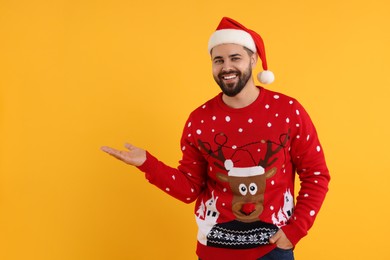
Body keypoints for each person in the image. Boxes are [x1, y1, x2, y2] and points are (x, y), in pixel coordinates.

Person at [101, 17, 330, 260]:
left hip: (272, 250)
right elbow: (189, 189)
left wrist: (295, 230)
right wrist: (147, 163)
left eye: (235, 58)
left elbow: (316, 175)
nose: (226, 67)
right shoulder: (199, 120)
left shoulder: (288, 111)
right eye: (218, 60)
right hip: (216, 250)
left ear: (253, 59)